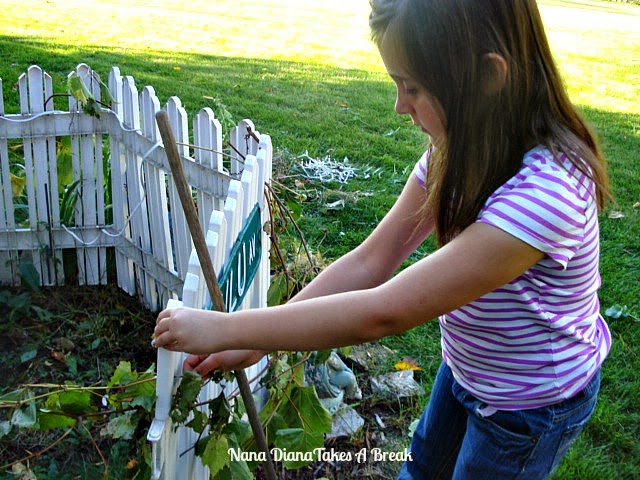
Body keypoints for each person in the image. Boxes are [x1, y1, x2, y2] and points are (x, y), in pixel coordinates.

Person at [153, 0, 612, 478]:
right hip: (470, 369)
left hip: (530, 406)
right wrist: (258, 342)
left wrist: (227, 328)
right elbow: (371, 260)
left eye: (412, 87)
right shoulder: (457, 149)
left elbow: (385, 311)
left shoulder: (548, 195)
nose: (399, 105)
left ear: (487, 76)